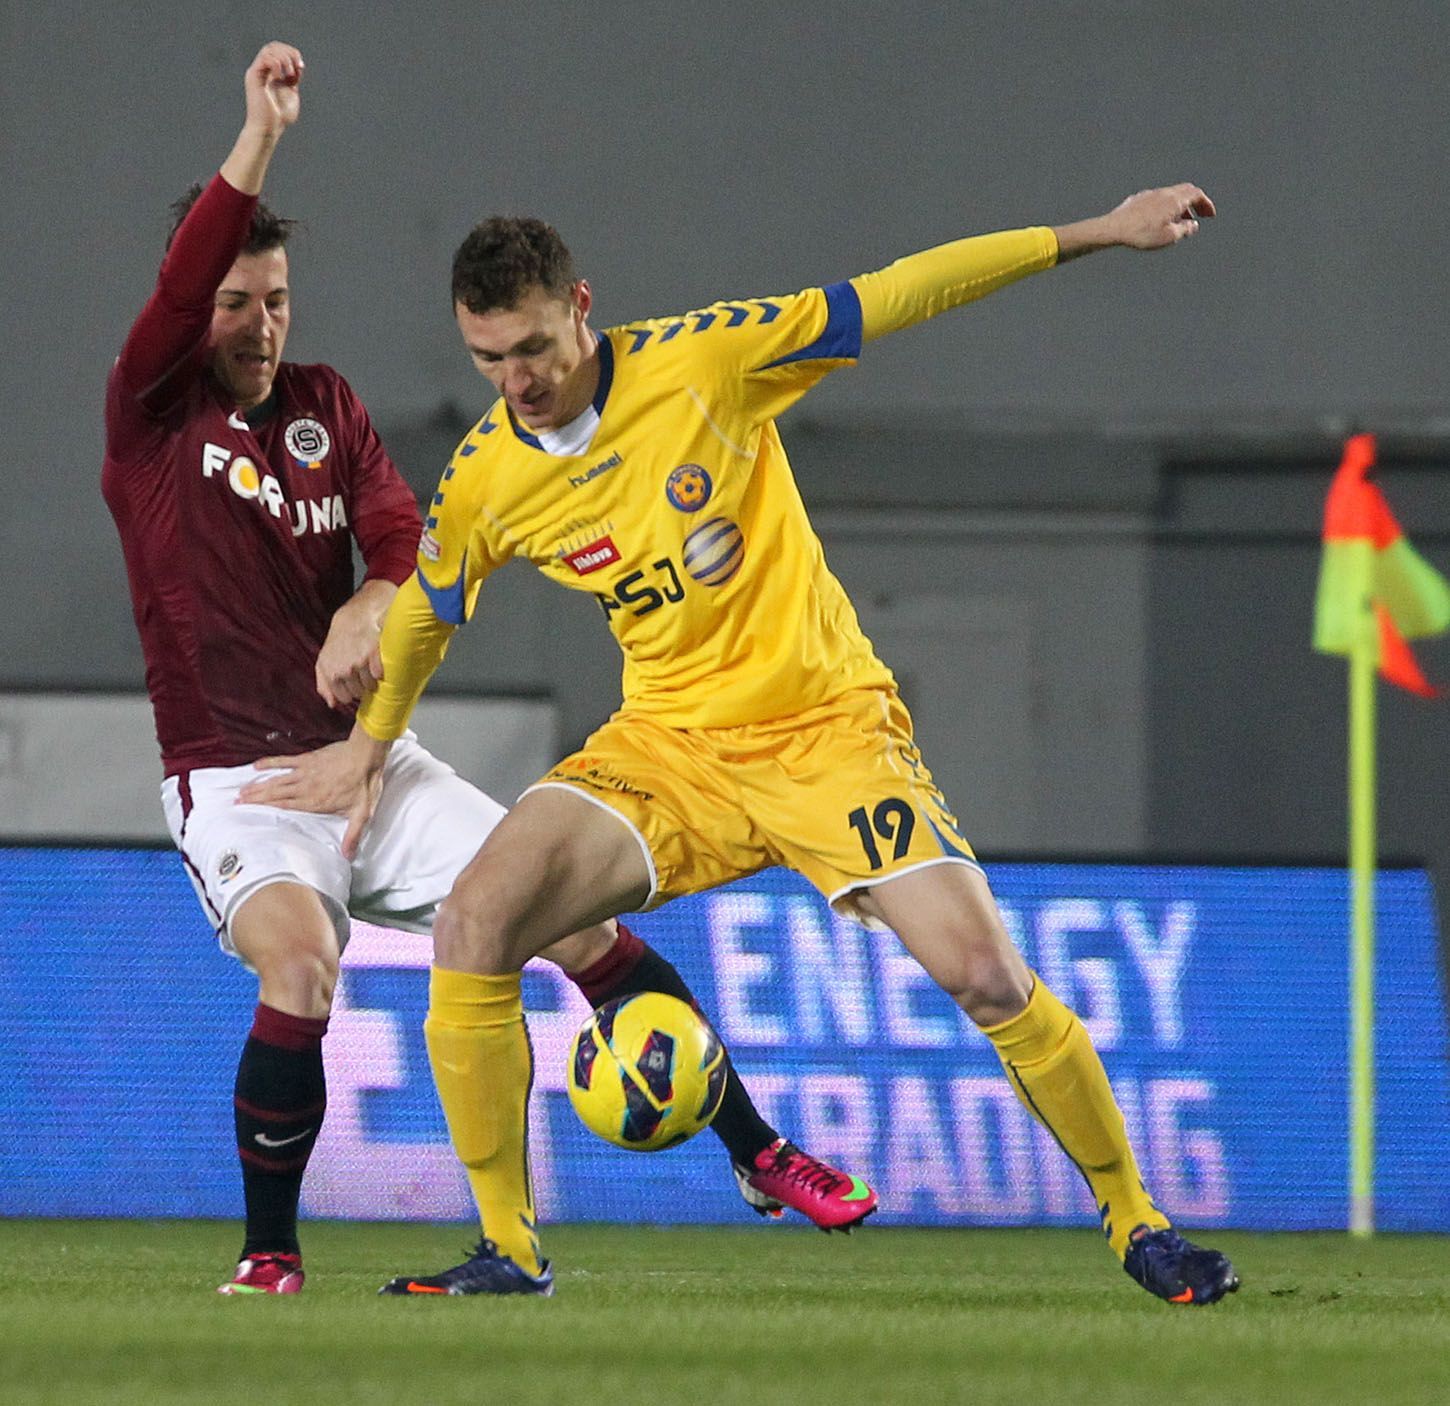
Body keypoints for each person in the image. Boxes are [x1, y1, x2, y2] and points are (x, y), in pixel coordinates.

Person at [245, 183, 1240, 1308]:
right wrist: (374, 742)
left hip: (826, 734)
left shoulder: (709, 362)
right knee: (476, 918)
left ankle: (1136, 1220)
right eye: (488, 359)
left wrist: (1098, 232)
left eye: (531, 347)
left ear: (580, 308)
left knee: (982, 971)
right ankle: (510, 1249)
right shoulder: (490, 474)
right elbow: (426, 611)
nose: (517, 380)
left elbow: (902, 291)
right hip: (667, 746)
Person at [102, 41, 875, 1299]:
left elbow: (408, 536)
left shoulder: (325, 403)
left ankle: (758, 1149)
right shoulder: (149, 411)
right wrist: (260, 136)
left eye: (276, 299)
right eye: (233, 304)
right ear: (191, 309)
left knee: (574, 922)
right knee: (303, 963)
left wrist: (368, 595)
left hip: (373, 765)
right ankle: (271, 1251)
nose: (257, 325)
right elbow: (190, 280)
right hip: (242, 783)